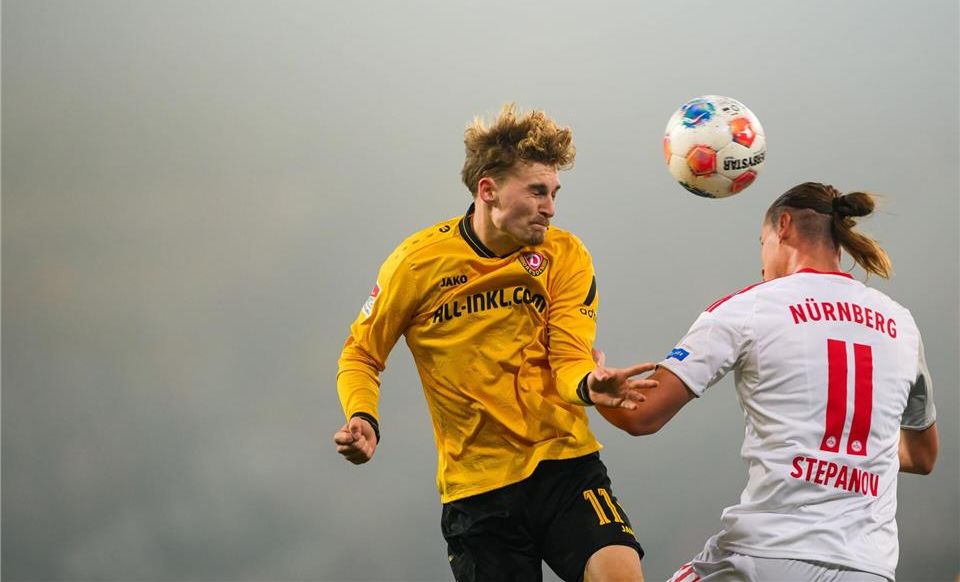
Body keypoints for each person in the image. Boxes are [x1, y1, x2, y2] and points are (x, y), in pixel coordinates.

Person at [333, 104, 655, 582]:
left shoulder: (565, 255)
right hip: (477, 489)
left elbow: (568, 359)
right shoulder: (417, 263)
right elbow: (361, 353)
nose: (551, 207)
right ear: (489, 190)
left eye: (554, 193)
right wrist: (363, 416)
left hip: (565, 464)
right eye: (538, 191)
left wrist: (589, 385)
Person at [596, 182, 938, 582]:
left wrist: (592, 383)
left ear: (784, 226)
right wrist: (849, 449)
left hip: (767, 557)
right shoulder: (900, 322)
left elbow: (641, 416)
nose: (762, 264)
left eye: (762, 243)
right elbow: (922, 456)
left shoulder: (751, 307)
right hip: (870, 567)